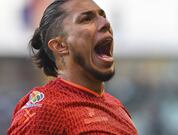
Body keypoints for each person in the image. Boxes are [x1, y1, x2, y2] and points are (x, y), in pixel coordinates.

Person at [8, 0, 138, 134]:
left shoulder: (116, 106)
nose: (106, 23)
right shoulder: (46, 109)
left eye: (103, 16)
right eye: (86, 19)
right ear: (60, 46)